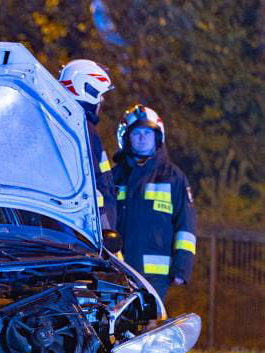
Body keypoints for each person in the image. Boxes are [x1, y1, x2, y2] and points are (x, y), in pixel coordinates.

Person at [112, 105, 196, 301]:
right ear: (126, 138)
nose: (142, 138)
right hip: (115, 269)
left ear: (158, 138)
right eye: (137, 133)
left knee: (149, 327)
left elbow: (186, 225)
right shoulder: (114, 177)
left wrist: (181, 267)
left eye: (148, 133)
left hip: (155, 276)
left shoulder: (173, 177)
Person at [58, 59, 116, 229]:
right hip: (87, 229)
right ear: (88, 90)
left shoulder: (66, 125)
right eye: (100, 94)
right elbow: (97, 185)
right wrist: (105, 226)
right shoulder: (82, 130)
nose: (101, 101)